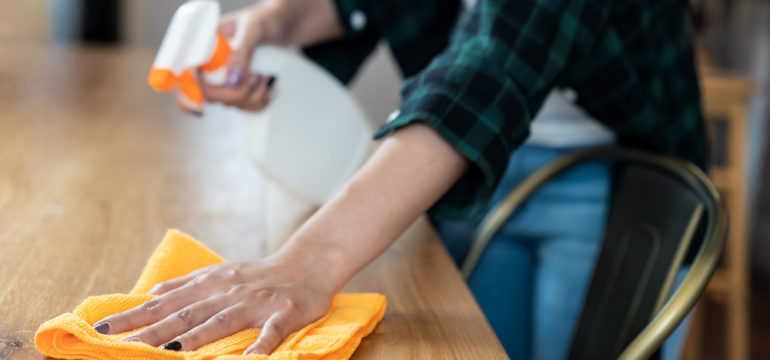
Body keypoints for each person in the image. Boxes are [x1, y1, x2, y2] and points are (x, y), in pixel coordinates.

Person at [92, 0, 707, 358]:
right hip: (476, 173)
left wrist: (308, 263)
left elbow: (490, 69)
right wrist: (272, 25)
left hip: (613, 178)